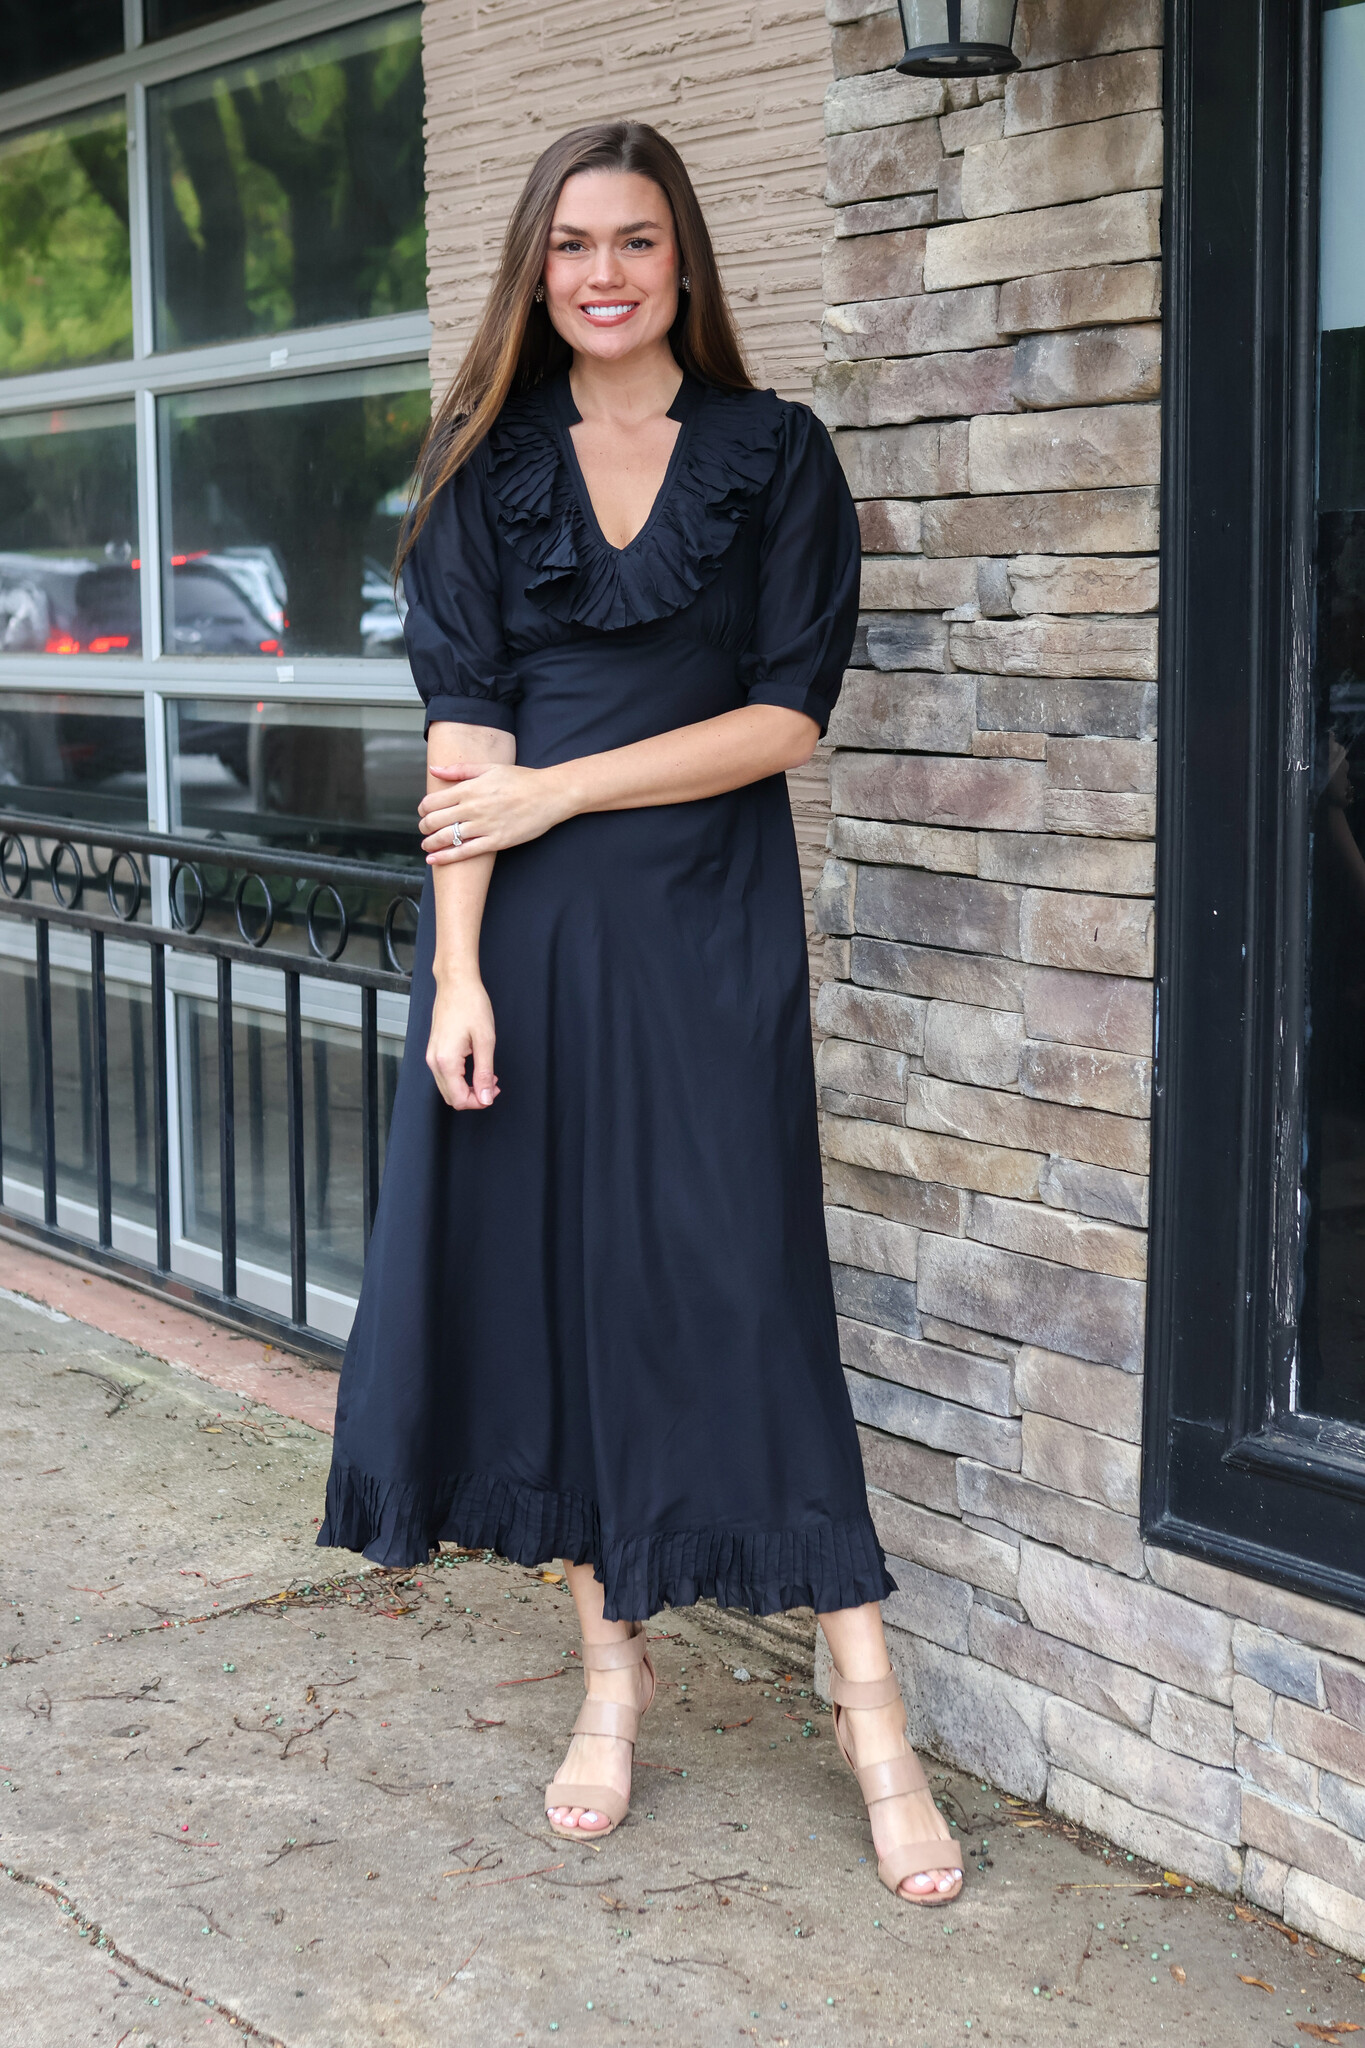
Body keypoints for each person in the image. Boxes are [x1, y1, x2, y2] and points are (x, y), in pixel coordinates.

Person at [317, 119, 963, 1906]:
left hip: (703, 930)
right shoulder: (480, 464)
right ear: (536, 271)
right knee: (563, 1304)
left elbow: (785, 720)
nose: (602, 273)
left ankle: (871, 1708)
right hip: (524, 947)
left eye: (635, 241)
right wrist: (457, 972)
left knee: (742, 1296)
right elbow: (465, 742)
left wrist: (564, 791)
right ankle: (610, 1686)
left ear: (683, 261)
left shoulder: (773, 453)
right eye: (571, 246)